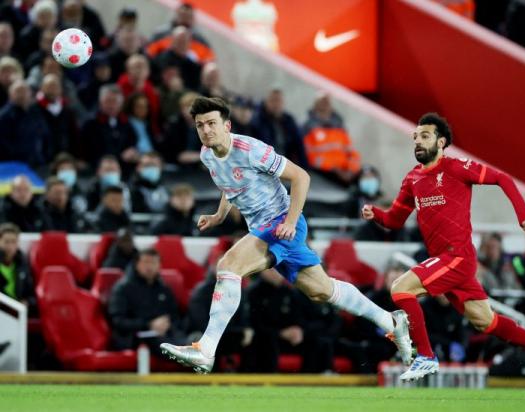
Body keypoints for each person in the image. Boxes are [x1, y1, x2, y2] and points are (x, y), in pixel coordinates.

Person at [160, 96, 411, 373]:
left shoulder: (251, 149)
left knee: (228, 266)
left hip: (281, 222)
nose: (206, 130)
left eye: (211, 123)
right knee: (322, 290)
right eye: (200, 125)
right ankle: (391, 322)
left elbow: (301, 177)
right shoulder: (208, 155)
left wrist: (291, 221)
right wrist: (219, 216)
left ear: (227, 125)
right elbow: (229, 185)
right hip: (265, 228)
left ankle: (205, 349)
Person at [361, 113, 525, 383]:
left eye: (425, 136)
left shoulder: (456, 168)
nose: (418, 142)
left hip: (457, 256)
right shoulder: (413, 179)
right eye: (416, 137)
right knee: (485, 321)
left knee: (400, 288)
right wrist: (376, 213)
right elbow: (395, 220)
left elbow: (502, 178)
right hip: (446, 262)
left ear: (441, 142)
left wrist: (522, 212)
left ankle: (426, 356)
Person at [108, 248, 186, 355]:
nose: (149, 267)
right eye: (145, 262)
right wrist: (149, 324)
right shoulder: (123, 288)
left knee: (186, 339)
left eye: (153, 262)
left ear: (159, 266)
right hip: (134, 337)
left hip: (165, 334)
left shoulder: (164, 288)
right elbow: (118, 321)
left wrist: (167, 324)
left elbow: (174, 315)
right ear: (136, 264)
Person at [0, 223, 36, 312]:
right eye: (6, 241)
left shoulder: (23, 263)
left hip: (18, 312)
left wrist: (27, 302)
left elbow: (31, 293)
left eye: (13, 241)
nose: (10, 246)